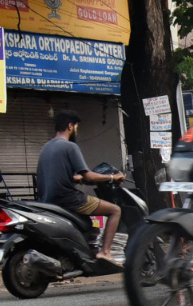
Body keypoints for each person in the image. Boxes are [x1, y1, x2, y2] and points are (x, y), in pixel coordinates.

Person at [35, 109, 126, 264]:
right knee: (115, 210)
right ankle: (105, 252)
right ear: (70, 126)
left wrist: (76, 178)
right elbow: (89, 175)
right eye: (77, 127)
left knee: (90, 224)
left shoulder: (47, 147)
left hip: (48, 200)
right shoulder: (70, 147)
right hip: (68, 199)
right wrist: (113, 176)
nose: (77, 131)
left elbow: (57, 173)